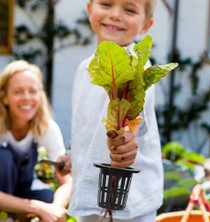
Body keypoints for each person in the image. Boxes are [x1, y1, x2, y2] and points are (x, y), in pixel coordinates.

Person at [68, 0, 163, 221]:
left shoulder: (138, 69)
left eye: (129, 9)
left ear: (145, 26)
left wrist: (126, 145)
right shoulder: (83, 69)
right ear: (90, 8)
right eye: (106, 4)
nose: (115, 15)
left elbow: (132, 129)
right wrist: (72, 156)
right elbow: (83, 128)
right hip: (89, 195)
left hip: (131, 204)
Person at [0, 60, 72, 222]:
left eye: (33, 91)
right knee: (3, 158)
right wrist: (36, 207)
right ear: (4, 97)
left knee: (47, 197)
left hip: (24, 190)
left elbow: (66, 181)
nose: (27, 98)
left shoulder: (46, 128)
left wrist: (55, 208)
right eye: (18, 92)